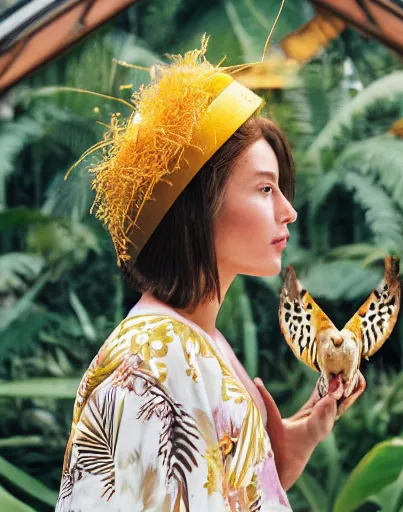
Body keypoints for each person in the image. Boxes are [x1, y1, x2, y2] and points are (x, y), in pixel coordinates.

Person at [56, 37, 365, 511]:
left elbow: (214, 493)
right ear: (200, 208)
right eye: (265, 188)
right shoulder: (157, 356)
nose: (289, 211)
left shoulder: (195, 339)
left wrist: (286, 451)